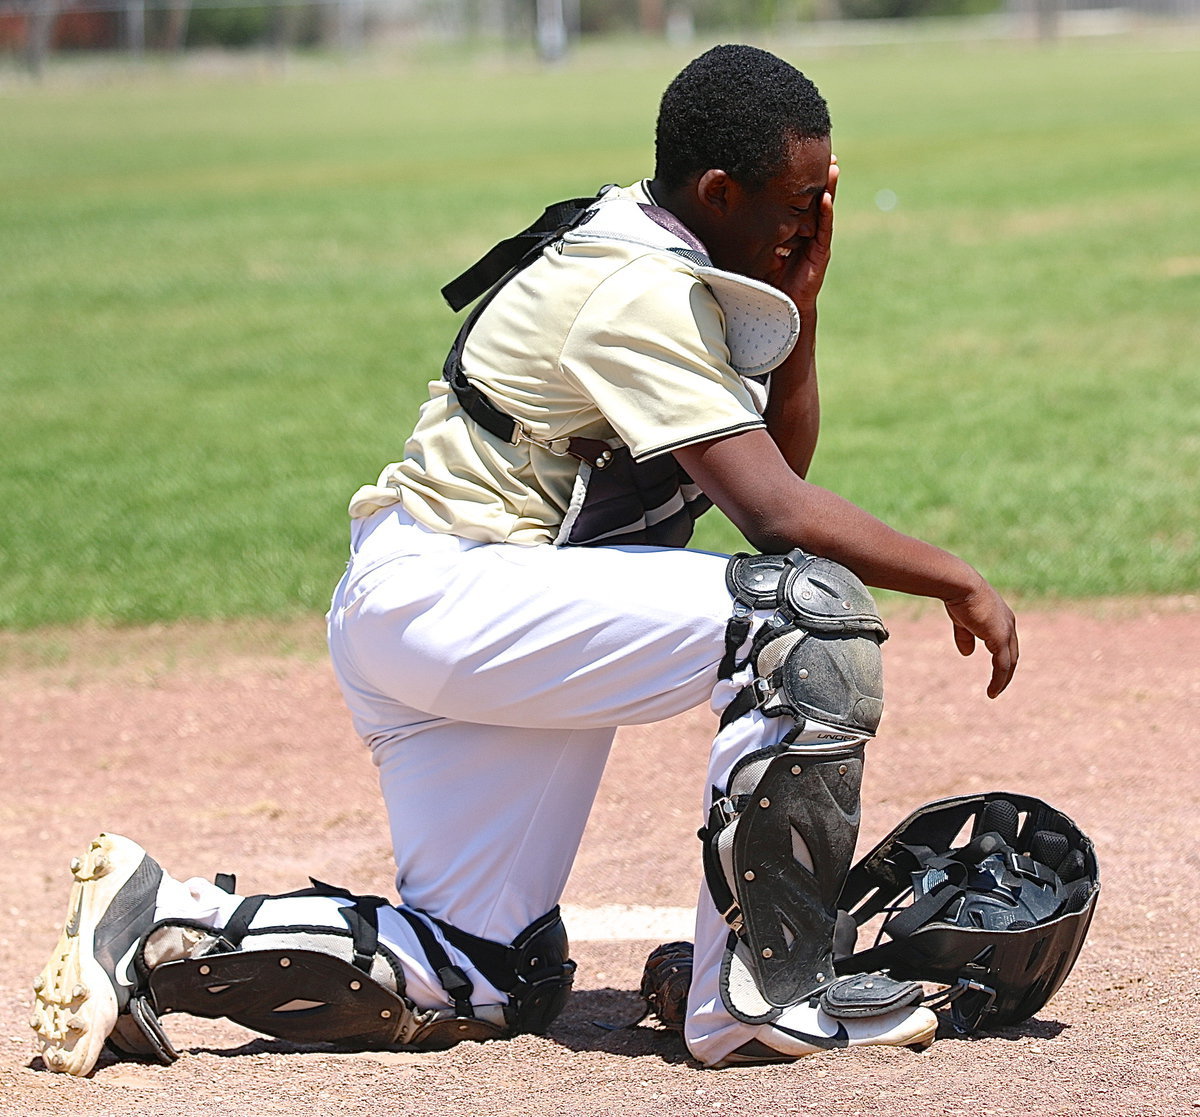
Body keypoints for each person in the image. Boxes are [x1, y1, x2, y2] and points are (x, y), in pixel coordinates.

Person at [31, 44, 1017, 1076]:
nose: (815, 218)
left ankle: (157, 925)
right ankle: (762, 990)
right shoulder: (638, 285)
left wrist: (803, 302)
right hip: (456, 597)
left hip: (455, 612)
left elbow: (775, 466)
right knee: (804, 620)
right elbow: (777, 515)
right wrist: (956, 574)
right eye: (803, 198)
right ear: (720, 191)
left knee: (491, 970)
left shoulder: (665, 250)